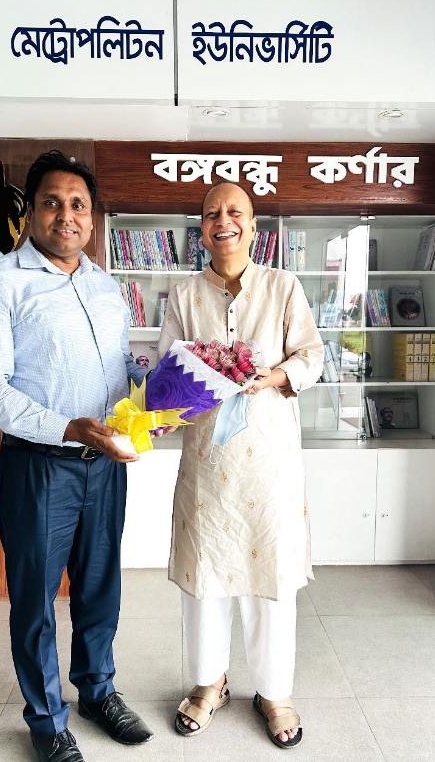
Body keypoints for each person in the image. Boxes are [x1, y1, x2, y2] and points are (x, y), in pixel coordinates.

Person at [0, 149, 155, 762]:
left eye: (78, 205)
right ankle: (47, 720)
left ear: (92, 218)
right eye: (52, 202)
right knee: (37, 602)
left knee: (100, 590)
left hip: (107, 465)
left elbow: (118, 366)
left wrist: (161, 386)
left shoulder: (105, 285)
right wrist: (67, 427)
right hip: (37, 466)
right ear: (30, 212)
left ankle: (97, 692)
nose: (66, 215)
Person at [159, 180, 324, 750]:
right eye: (212, 214)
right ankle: (209, 684)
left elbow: (312, 355)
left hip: (268, 464)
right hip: (207, 463)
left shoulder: (283, 286)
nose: (223, 221)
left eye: (235, 212)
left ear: (254, 227)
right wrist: (166, 404)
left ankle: (274, 693)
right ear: (201, 230)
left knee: (269, 575)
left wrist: (272, 377)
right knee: (204, 577)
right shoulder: (184, 295)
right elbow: (169, 371)